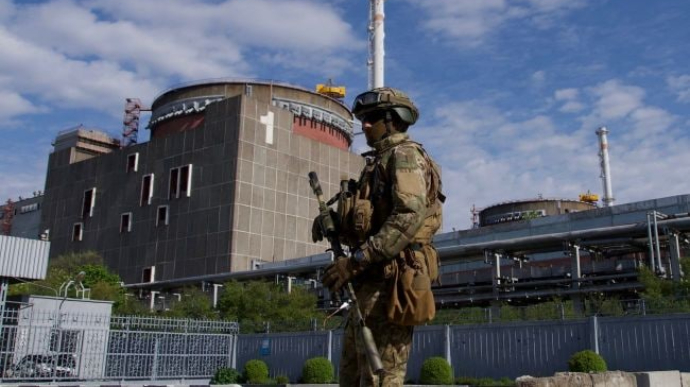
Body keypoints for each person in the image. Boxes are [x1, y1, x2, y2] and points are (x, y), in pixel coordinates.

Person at [314, 87, 444, 386]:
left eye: (372, 118)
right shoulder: (378, 162)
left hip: (392, 283)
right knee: (352, 372)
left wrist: (356, 260)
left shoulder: (405, 155)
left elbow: (408, 216)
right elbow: (372, 222)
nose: (365, 125)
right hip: (369, 282)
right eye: (363, 119)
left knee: (380, 376)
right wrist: (334, 223)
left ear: (394, 120)